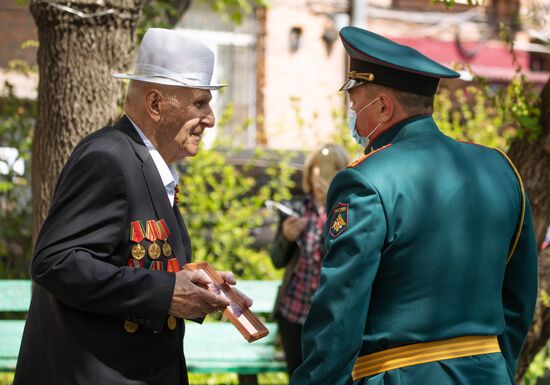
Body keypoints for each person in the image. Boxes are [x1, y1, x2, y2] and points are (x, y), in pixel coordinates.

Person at [290, 27, 538, 385]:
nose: (352, 116)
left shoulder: (364, 180)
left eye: (355, 103)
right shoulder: (500, 167)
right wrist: (496, 365)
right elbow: (519, 295)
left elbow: (340, 308)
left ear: (384, 107)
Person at [14, 28, 251, 385]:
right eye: (199, 103)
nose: (211, 118)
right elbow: (55, 262)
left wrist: (203, 288)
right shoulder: (108, 157)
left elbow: (140, 261)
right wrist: (166, 292)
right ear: (155, 104)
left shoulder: (145, 163)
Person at [270, 143, 350, 376]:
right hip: (293, 312)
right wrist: (286, 237)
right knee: (297, 376)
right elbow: (276, 261)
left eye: (330, 170)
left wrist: (332, 210)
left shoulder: (346, 210)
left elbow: (342, 259)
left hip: (329, 314)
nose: (321, 176)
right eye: (317, 169)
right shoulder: (295, 208)